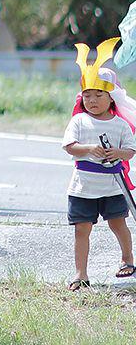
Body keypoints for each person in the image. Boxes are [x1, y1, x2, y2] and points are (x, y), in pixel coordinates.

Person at [61, 40, 136, 290]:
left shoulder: (120, 125)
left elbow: (130, 152)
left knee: (118, 224)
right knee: (82, 229)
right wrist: (89, 149)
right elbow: (69, 146)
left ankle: (127, 259)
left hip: (113, 186)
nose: (92, 100)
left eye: (98, 95)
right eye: (87, 95)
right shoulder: (79, 121)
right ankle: (80, 274)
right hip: (83, 186)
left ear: (111, 97)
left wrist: (118, 152)